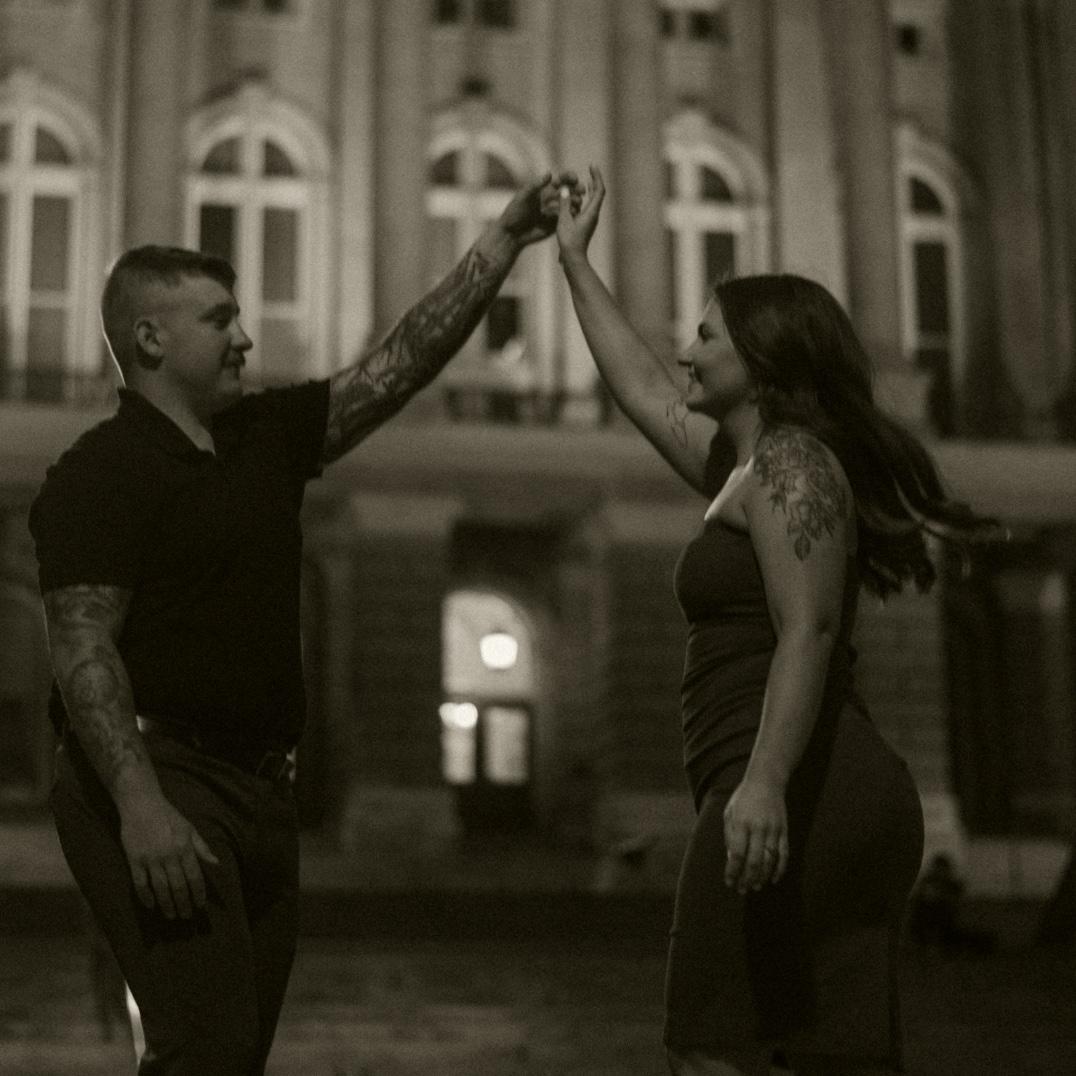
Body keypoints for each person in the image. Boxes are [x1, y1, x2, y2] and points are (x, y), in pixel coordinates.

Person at [29, 171, 579, 1075]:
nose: (245, 338)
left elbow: (398, 365)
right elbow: (84, 650)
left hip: (259, 792)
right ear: (151, 338)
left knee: (231, 1054)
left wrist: (503, 242)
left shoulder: (264, 438)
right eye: (220, 321)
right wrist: (141, 806)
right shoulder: (100, 473)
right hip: (162, 778)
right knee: (205, 1048)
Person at [555, 168, 996, 1076]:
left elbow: (810, 631)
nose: (685, 353)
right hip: (798, 787)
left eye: (705, 336)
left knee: (708, 1045)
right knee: (820, 1059)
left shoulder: (793, 465)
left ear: (761, 361)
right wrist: (572, 260)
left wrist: (760, 786)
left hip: (806, 790)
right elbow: (640, 388)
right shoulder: (744, 467)